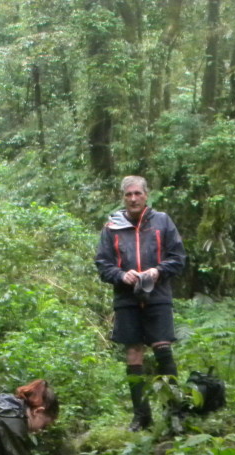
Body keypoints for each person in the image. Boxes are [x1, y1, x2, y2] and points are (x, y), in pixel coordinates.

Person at [95, 175, 187, 431]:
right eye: (128, 194)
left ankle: (175, 414)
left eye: (138, 193)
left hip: (157, 295)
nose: (133, 198)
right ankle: (141, 416)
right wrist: (122, 275)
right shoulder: (112, 225)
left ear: (146, 195)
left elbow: (178, 258)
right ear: (123, 197)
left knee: (162, 348)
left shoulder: (162, 221)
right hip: (126, 298)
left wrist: (157, 271)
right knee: (133, 353)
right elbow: (103, 264)